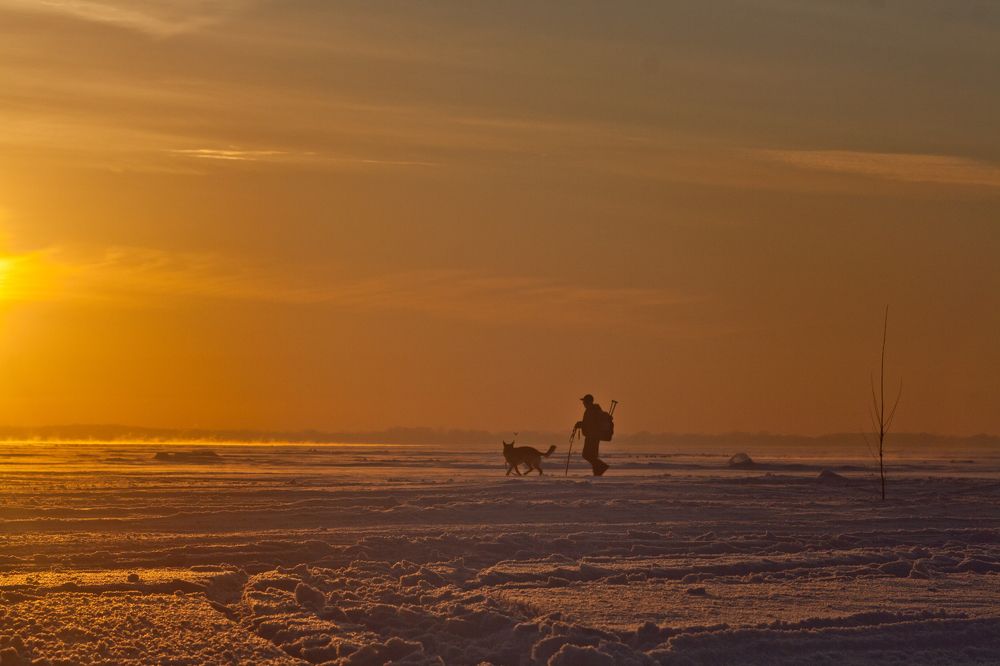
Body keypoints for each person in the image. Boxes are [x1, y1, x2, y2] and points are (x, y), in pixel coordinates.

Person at [574, 394, 609, 476]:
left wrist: (580, 424)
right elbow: (589, 424)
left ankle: (601, 467)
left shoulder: (591, 411)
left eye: (584, 401)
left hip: (592, 437)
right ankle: (597, 471)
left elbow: (590, 424)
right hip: (593, 436)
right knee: (591, 455)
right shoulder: (594, 410)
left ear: (588, 402)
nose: (583, 403)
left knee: (586, 454)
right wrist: (581, 424)